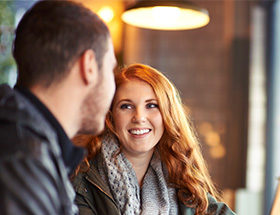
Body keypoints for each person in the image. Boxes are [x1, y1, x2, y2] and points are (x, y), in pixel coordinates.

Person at [0, 0, 116, 214]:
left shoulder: (28, 145)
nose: (113, 88)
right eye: (111, 69)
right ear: (89, 65)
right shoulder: (24, 158)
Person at [72, 64, 236, 215]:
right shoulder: (81, 175)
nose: (139, 117)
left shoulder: (180, 178)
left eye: (151, 105)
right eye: (126, 106)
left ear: (167, 115)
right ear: (110, 116)